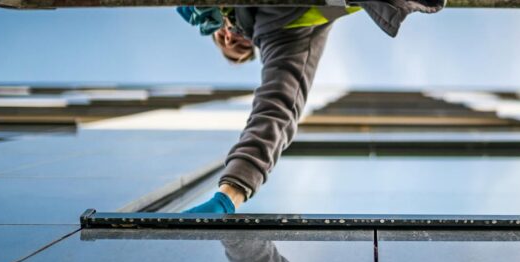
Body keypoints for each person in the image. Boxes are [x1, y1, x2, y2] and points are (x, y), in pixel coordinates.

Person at [182, 1, 444, 214]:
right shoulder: (282, 34)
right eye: (239, 45)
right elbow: (275, 111)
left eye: (223, 38)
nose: (230, 37)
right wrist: (228, 197)